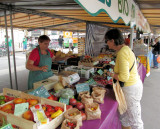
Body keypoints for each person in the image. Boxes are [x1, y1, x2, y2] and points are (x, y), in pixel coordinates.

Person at [105, 29, 143, 129]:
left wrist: (111, 74)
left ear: (112, 41)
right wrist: (115, 68)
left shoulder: (122, 53)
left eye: (107, 41)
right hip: (132, 86)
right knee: (125, 117)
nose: (107, 43)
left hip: (130, 89)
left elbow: (123, 77)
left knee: (135, 121)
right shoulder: (125, 49)